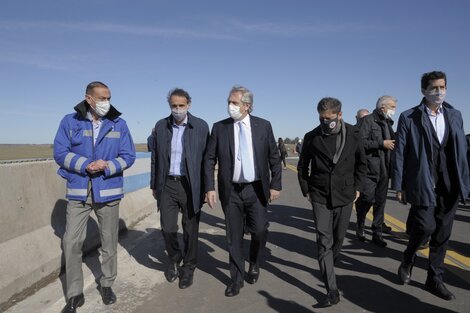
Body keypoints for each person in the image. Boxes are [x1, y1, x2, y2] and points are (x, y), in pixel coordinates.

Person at [53, 81, 136, 313]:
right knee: (71, 242)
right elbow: (60, 152)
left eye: (108, 97)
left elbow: (128, 156)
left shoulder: (119, 123)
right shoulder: (70, 122)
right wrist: (85, 165)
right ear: (89, 99)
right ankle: (75, 294)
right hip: (79, 192)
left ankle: (107, 284)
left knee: (109, 242)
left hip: (108, 192)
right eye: (102, 98)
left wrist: (107, 165)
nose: (106, 103)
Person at [393, 71, 469, 300]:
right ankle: (408, 258)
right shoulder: (409, 117)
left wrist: (465, 181)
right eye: (434, 88)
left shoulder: (455, 115)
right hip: (423, 181)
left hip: (450, 183)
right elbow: (400, 153)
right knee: (425, 227)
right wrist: (399, 185)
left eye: (442, 87)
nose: (439, 92)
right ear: (424, 91)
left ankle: (434, 279)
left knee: (442, 234)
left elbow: (461, 152)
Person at [204, 85, 282, 297]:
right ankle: (236, 279)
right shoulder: (219, 128)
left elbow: (274, 157)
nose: (230, 106)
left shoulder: (263, 126)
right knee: (233, 236)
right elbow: (209, 159)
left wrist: (276, 184)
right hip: (231, 191)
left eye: (234, 103)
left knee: (259, 231)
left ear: (247, 106)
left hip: (256, 189)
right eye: (229, 102)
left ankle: (254, 262)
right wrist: (209, 187)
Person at [297, 97, 366, 307]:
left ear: (340, 115)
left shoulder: (354, 134)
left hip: (345, 195)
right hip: (319, 195)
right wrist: (306, 189)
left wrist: (358, 188)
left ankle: (330, 264)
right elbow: (303, 166)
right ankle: (332, 290)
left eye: (329, 118)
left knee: (338, 238)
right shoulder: (311, 137)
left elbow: (362, 163)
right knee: (323, 241)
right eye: (321, 118)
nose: (325, 121)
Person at [150, 88, 209, 289]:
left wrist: (208, 187)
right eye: (174, 106)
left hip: (190, 184)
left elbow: (206, 161)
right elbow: (155, 158)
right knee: (168, 228)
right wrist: (154, 184)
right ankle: (174, 259)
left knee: (190, 229)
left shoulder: (200, 126)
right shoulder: (161, 126)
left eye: (181, 105)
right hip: (167, 183)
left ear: (188, 105)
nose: (177, 109)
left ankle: (189, 267)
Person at [355, 96, 397, 247]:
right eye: (392, 107)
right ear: (382, 107)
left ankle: (377, 233)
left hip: (384, 170)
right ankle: (360, 224)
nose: (394, 110)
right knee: (367, 199)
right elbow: (360, 143)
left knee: (380, 203)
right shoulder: (367, 121)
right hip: (370, 170)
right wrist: (381, 143)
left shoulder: (388, 123)